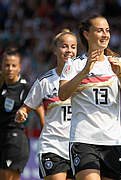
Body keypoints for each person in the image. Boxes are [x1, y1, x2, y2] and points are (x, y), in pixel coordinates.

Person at [58, 14, 121, 180]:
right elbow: (62, 94)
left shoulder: (117, 62)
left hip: (113, 141)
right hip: (84, 140)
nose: (105, 34)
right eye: (100, 30)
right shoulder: (74, 64)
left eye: (107, 30)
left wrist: (120, 76)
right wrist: (85, 71)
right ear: (87, 35)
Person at [15, 29, 77, 180]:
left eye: (73, 47)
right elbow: (27, 107)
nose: (69, 50)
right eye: (64, 46)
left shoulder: (85, 79)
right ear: (55, 50)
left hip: (80, 146)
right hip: (53, 145)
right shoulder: (45, 81)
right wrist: (22, 112)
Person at [0, 48, 44, 180]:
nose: (10, 68)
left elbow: (41, 113)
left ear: (20, 67)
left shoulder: (25, 89)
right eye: (7, 65)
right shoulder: (1, 85)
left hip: (14, 140)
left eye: (14, 65)